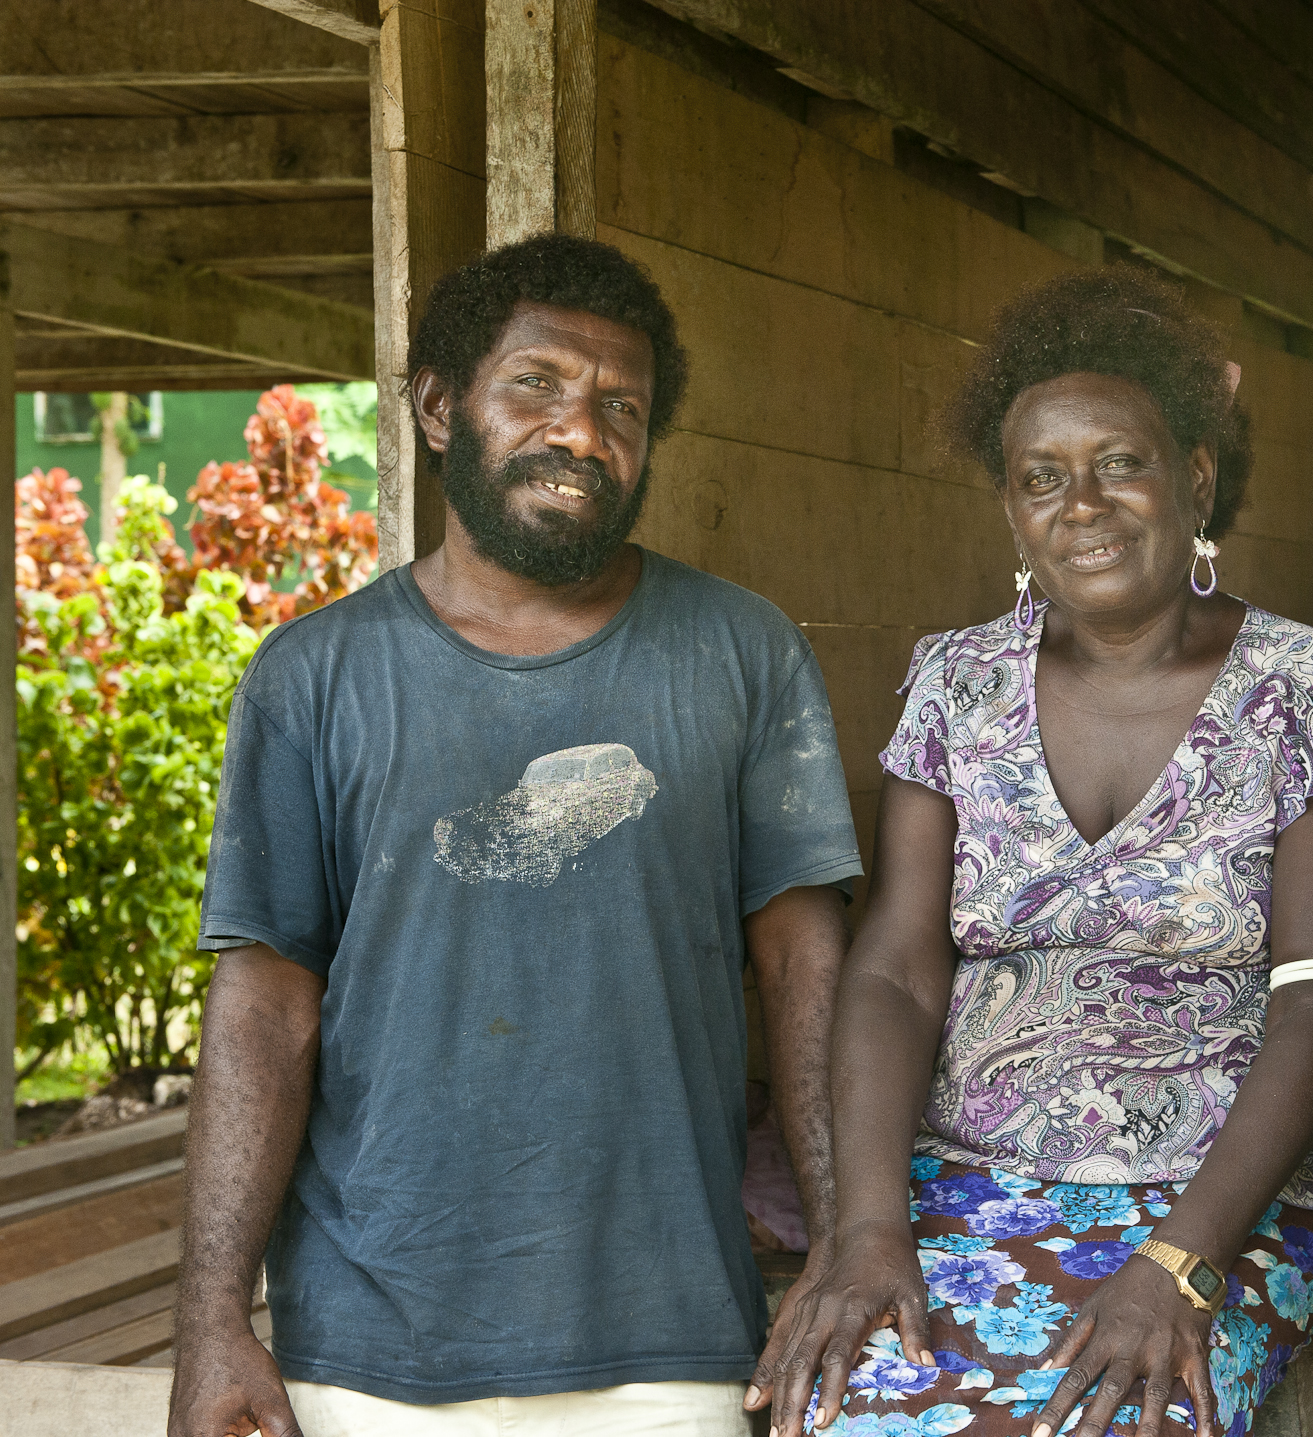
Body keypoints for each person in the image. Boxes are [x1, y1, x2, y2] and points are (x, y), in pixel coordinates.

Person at [169, 235, 863, 1436]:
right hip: (369, 1348)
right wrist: (210, 1319)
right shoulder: (314, 676)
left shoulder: (742, 653)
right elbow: (264, 1009)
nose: (582, 433)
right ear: (441, 408)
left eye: (622, 407)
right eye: (536, 384)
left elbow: (807, 969)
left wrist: (843, 1246)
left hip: (666, 1342)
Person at [749, 268, 1313, 1437]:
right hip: (969, 1176)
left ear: (1196, 475)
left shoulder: (1305, 692)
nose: (1083, 504)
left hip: (1234, 1198)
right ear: (1011, 510)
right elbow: (894, 969)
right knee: (852, 1404)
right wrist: (867, 1230)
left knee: (1117, 1417)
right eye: (1042, 477)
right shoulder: (957, 685)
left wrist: (1180, 1266)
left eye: (1120, 463)